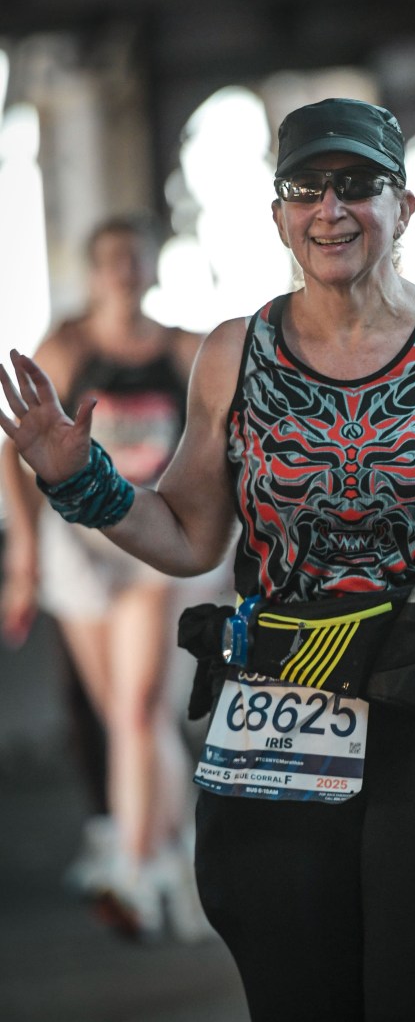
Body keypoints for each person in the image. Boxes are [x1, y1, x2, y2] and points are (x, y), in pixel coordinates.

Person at [2, 98, 415, 1021]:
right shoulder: (234, 354)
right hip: (286, 705)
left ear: (404, 206)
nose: (331, 208)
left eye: (358, 184)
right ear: (278, 215)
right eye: (305, 188)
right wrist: (81, 480)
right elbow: (189, 534)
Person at [0, 213, 217, 941]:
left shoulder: (184, 349)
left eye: (136, 256)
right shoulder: (68, 349)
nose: (125, 269)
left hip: (151, 537)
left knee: (135, 709)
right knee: (133, 717)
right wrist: (24, 553)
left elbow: (224, 436)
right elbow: (16, 449)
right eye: (112, 258)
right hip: (79, 547)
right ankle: (180, 852)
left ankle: (134, 866)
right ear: (93, 272)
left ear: (153, 267)